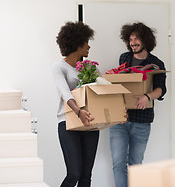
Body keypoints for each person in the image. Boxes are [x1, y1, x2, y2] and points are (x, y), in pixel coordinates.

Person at [109, 22, 167, 187]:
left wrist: (147, 97)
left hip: (142, 120)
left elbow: (161, 90)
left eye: (136, 39)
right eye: (130, 39)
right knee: (118, 163)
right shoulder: (125, 58)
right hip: (120, 119)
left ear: (146, 40)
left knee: (136, 165)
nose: (132, 42)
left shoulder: (156, 63)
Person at [53, 21, 99, 187]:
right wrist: (78, 111)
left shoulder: (90, 68)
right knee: (74, 174)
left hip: (90, 124)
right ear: (77, 43)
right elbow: (65, 92)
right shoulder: (59, 67)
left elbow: (103, 90)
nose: (89, 46)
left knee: (86, 176)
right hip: (68, 124)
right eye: (87, 42)